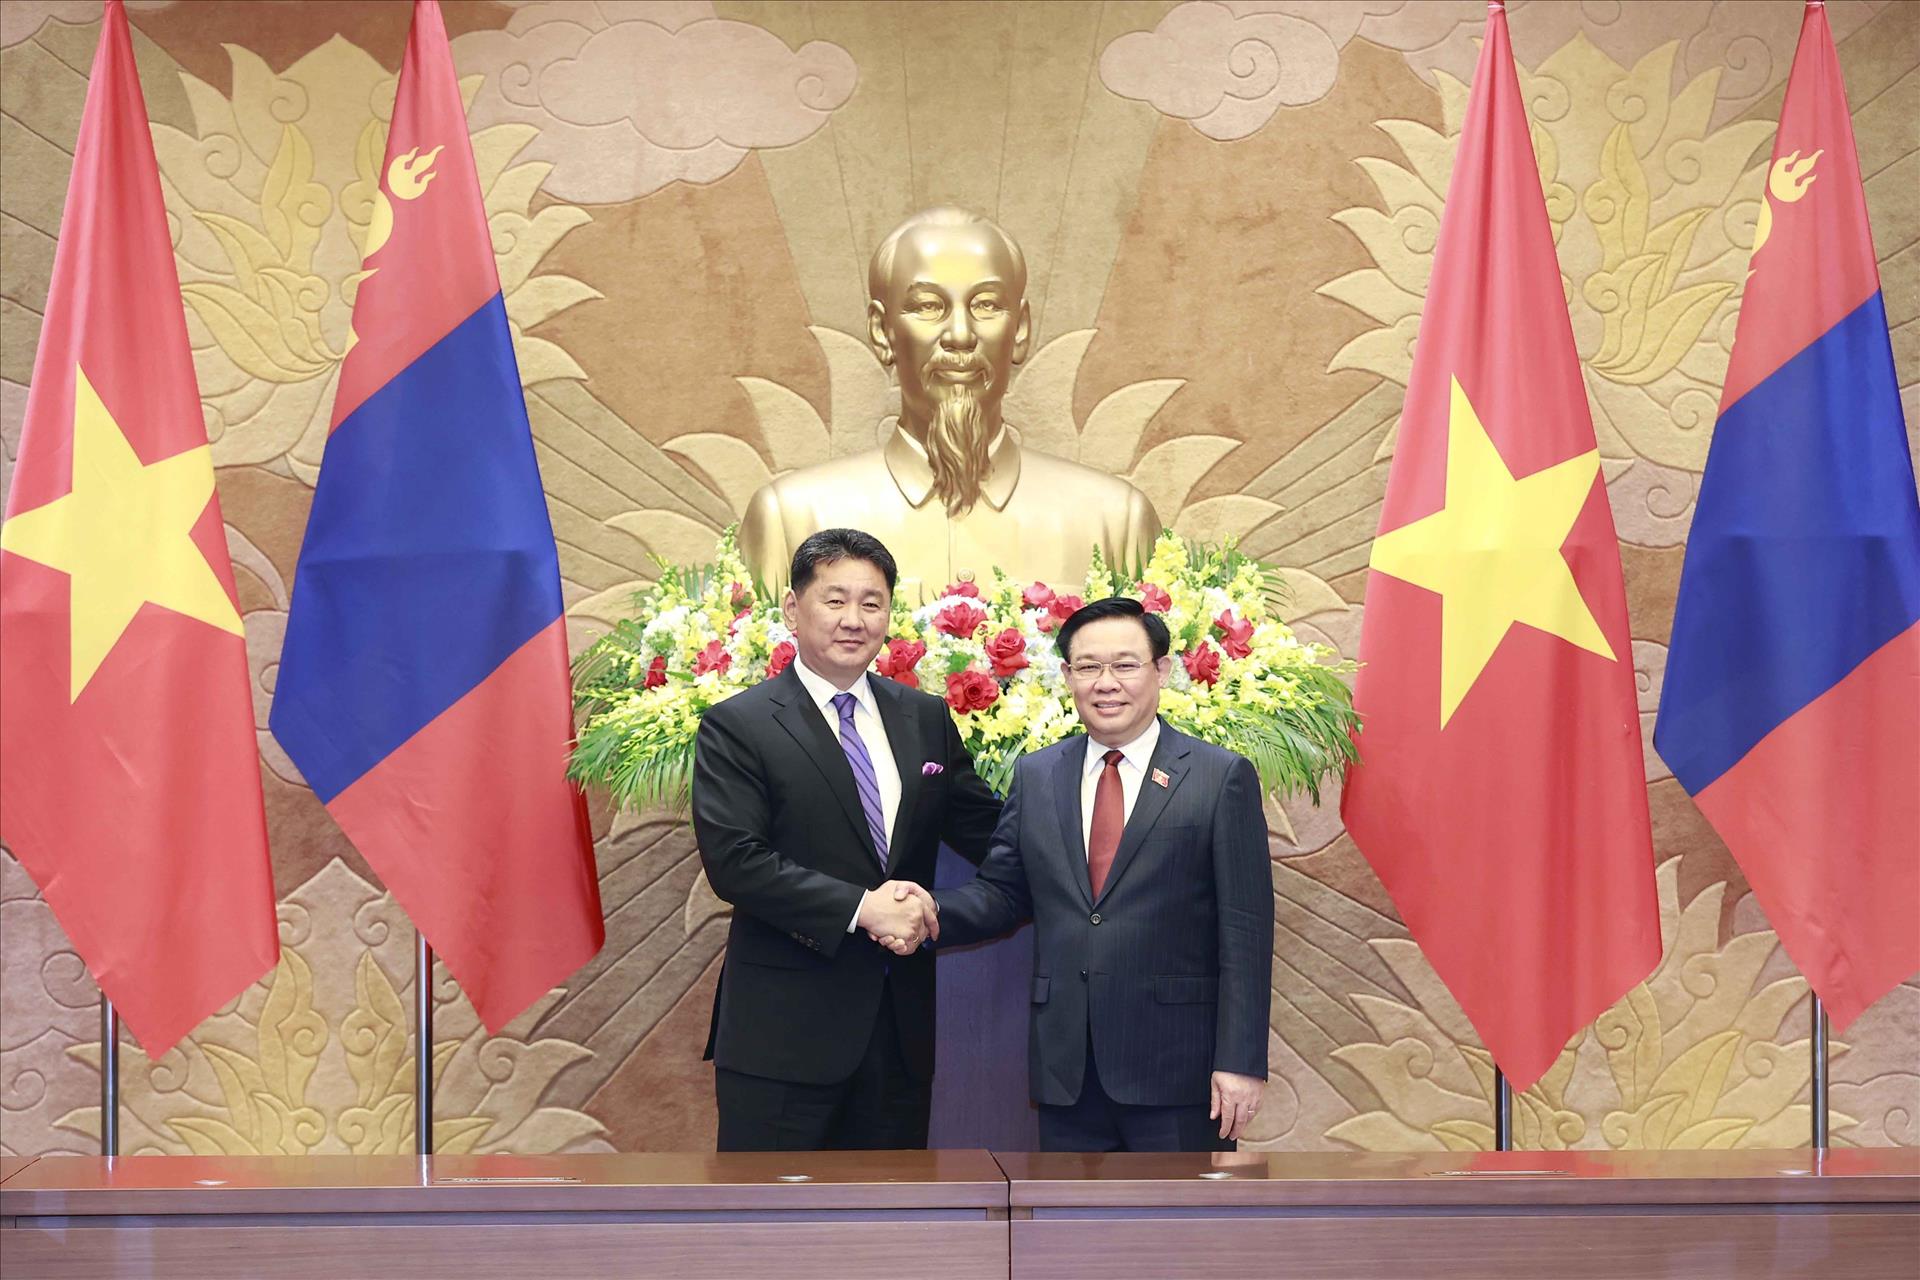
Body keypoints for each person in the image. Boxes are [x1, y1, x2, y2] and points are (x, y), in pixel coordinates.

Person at [904, 597, 1273, 1151]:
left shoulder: (1219, 778)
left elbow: (1245, 931)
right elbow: (1004, 892)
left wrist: (1241, 1061)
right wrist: (929, 912)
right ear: (1067, 675)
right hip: (1068, 1070)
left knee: (1180, 1209)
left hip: (1179, 1071)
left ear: (1161, 671)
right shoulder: (1038, 774)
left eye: (1125, 665)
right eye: (1088, 667)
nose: (1106, 683)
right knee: (1070, 1210)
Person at [692, 527, 1002, 1151]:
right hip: (783, 1036)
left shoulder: (924, 717)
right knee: (772, 1207)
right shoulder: (739, 725)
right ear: (793, 608)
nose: (854, 619)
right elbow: (737, 862)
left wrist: (1094, 834)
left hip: (899, 1032)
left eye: (871, 602)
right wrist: (864, 908)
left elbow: (989, 831)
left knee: (890, 1209)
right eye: (834, 600)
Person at [738, 206, 1160, 601]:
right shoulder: (791, 519)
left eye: (986, 305)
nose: (960, 334)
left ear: (1020, 329)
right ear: (882, 331)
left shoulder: (1115, 522)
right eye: (928, 306)